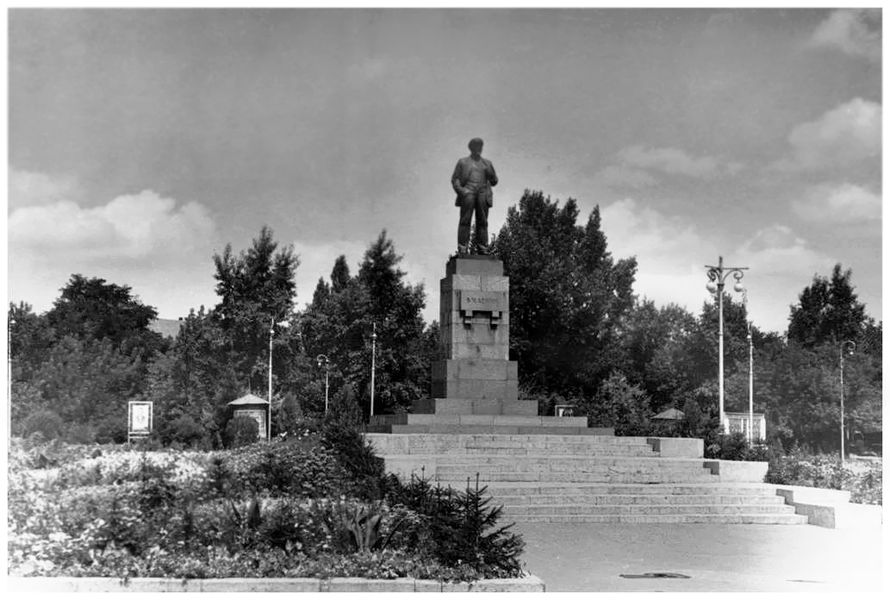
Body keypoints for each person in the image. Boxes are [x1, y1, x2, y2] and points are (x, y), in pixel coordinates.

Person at [451, 137, 498, 254]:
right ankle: (462, 248)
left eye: (480, 146)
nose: (478, 149)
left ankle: (483, 248)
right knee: (465, 221)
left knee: (482, 221)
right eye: (476, 146)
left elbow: (494, 181)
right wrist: (462, 191)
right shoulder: (463, 162)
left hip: (483, 193)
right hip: (468, 192)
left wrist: (489, 172)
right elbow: (455, 179)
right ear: (471, 148)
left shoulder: (487, 163)